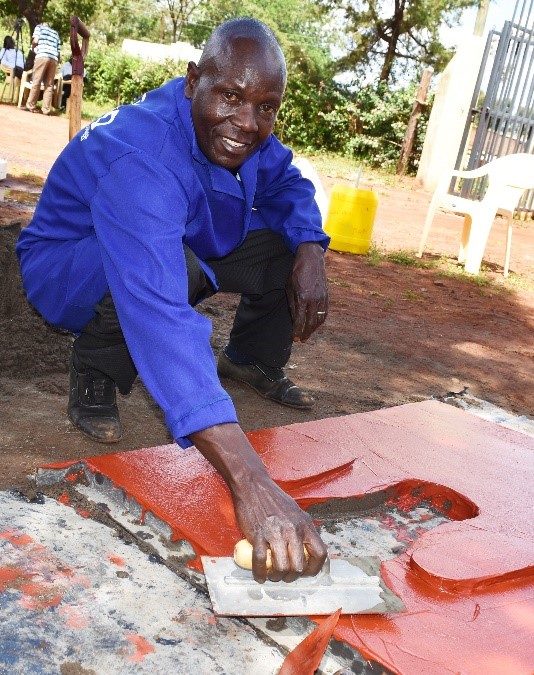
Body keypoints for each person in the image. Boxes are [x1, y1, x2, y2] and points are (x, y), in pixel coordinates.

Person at [16, 18, 329, 582]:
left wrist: (311, 249)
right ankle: (94, 373)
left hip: (180, 237)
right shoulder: (143, 157)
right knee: (165, 274)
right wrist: (252, 483)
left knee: (285, 247)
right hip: (67, 266)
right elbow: (160, 312)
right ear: (192, 83)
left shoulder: (245, 130)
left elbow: (288, 185)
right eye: (231, 97)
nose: (246, 123)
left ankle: (253, 359)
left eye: (266, 107)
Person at [21, 21, 60, 115]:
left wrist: (33, 48)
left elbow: (35, 41)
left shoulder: (39, 27)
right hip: (54, 59)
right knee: (49, 84)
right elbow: (58, 52)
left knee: (36, 81)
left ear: (42, 24)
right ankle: (46, 109)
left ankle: (30, 105)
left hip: (42, 55)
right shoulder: (55, 33)